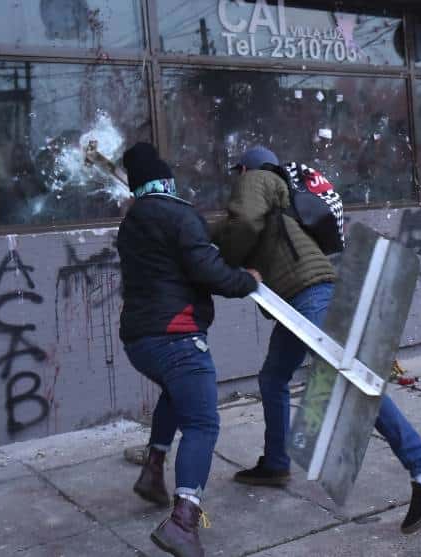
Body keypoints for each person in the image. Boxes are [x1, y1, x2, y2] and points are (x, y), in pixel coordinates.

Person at [213, 146, 421, 534]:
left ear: (247, 168)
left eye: (238, 170)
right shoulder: (280, 198)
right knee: (273, 378)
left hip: (307, 298)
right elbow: (239, 227)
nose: (236, 178)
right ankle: (275, 462)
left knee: (352, 382)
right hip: (298, 300)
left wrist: (220, 255)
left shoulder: (257, 180)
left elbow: (240, 226)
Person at [117, 142, 261, 557]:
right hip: (176, 335)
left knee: (175, 395)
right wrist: (246, 279)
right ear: (167, 179)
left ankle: (153, 470)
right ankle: (183, 521)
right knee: (202, 423)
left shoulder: (133, 221)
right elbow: (207, 270)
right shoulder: (179, 214)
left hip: (139, 340)